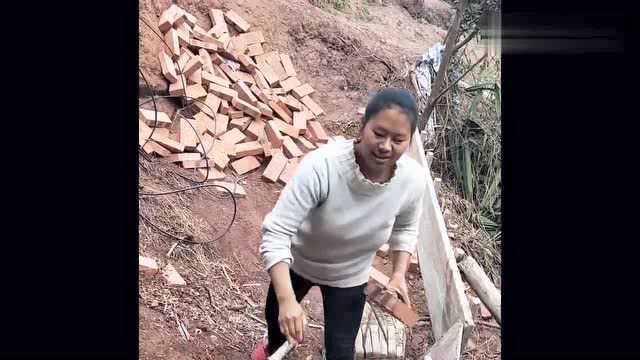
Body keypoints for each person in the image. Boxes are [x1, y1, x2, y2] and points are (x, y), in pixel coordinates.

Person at [252, 88, 426, 360]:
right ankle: (272, 347)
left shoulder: (413, 180)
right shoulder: (323, 166)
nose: (385, 146)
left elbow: (405, 228)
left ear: (409, 142)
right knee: (277, 327)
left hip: (350, 276)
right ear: (362, 126)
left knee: (341, 352)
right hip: (299, 262)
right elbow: (276, 232)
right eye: (378, 133)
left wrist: (398, 274)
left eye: (398, 139)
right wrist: (286, 300)